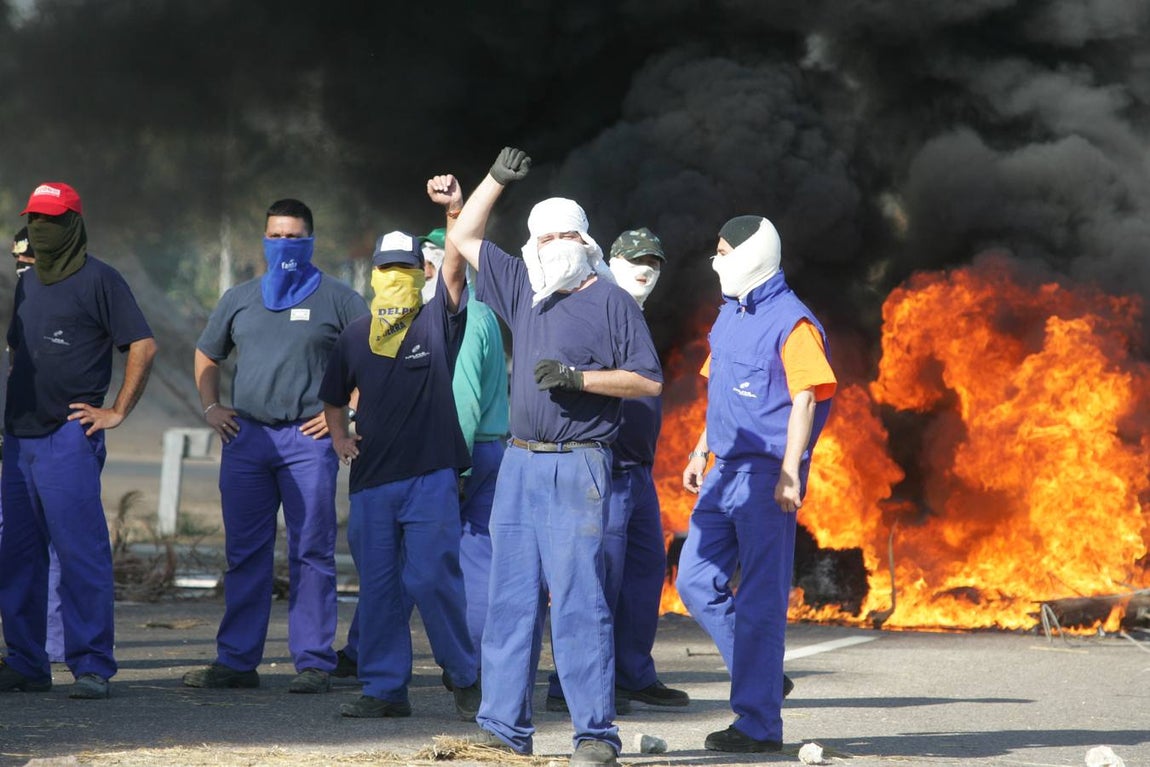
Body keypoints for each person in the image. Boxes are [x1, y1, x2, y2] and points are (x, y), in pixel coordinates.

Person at [447, 147, 663, 767]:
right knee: (510, 599)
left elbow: (647, 381)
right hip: (519, 462)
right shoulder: (523, 288)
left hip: (580, 465)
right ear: (531, 244)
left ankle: (595, 734)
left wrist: (579, 379)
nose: (553, 245)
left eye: (565, 234)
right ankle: (502, 727)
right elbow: (463, 235)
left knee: (578, 602)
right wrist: (492, 181)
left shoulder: (612, 300)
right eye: (542, 236)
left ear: (586, 240)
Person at [183, 199, 368, 695]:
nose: (284, 244)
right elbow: (206, 352)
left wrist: (343, 413)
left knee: (312, 551)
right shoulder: (239, 297)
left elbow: (374, 358)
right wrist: (211, 407)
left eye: (293, 236)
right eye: (276, 236)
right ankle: (237, 662)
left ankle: (312, 662)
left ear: (311, 239)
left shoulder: (339, 298)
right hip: (247, 439)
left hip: (308, 443)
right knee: (245, 554)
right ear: (264, 238)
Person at [676, 215, 836, 753]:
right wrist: (702, 449)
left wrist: (791, 471)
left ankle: (758, 725)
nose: (715, 259)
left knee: (762, 600)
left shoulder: (794, 323)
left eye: (722, 250)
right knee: (695, 582)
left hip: (768, 474)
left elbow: (807, 399)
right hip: (723, 473)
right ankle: (763, 675)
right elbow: (719, 390)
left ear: (751, 254)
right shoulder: (728, 317)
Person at [0, 182, 157, 699]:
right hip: (19, 439)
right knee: (18, 557)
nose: (41, 229)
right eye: (34, 219)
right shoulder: (28, 284)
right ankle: (26, 663)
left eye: (51, 219)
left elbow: (142, 344)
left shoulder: (101, 280)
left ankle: (91, 666)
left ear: (73, 224)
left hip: (70, 435)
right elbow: (18, 355)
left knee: (79, 554)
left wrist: (115, 411)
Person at [319, 225, 480, 720]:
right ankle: (386, 690)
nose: (396, 278)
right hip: (371, 484)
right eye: (387, 269)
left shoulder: (437, 322)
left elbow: (456, 268)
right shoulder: (354, 335)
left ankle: (465, 676)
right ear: (374, 275)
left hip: (430, 477)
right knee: (381, 590)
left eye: (406, 268)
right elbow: (331, 397)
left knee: (434, 580)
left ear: (422, 273)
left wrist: (455, 212)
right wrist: (339, 436)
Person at [545, 228, 688, 714]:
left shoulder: (636, 314)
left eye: (655, 260)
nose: (645, 268)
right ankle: (570, 686)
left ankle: (631, 674)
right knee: (595, 581)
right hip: (601, 467)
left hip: (638, 473)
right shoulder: (599, 308)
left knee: (645, 574)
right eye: (634, 258)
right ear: (610, 260)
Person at [1, 229, 64, 665]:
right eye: (17, 259)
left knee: (60, 543)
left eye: (28, 258)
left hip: (57, 436)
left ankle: (58, 645)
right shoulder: (20, 304)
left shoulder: (67, 298)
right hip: (17, 436)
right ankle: (29, 647)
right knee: (20, 546)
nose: (22, 265)